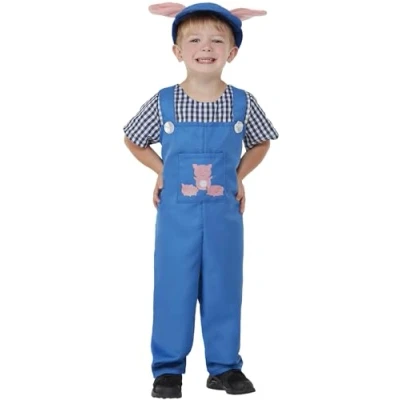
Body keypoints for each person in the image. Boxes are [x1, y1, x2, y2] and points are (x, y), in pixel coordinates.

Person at [123, 2, 279, 397]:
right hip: (176, 217)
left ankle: (225, 367)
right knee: (173, 287)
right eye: (194, 40)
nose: (205, 47)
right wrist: (161, 170)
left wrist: (239, 175)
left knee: (223, 287)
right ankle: (168, 369)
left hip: (225, 216)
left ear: (232, 52)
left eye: (216, 41)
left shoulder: (242, 102)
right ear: (177, 51)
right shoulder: (164, 102)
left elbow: (261, 142)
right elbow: (133, 139)